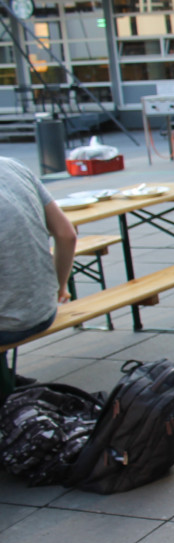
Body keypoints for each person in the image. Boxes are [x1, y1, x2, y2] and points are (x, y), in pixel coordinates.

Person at [0, 157, 76, 398]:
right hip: (43, 310)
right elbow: (67, 235)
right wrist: (59, 286)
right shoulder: (12, 166)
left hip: (8, 323)